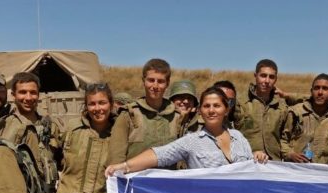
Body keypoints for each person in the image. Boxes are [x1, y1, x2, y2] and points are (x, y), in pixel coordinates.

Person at [106, 87, 267, 175]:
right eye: (206, 106)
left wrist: (257, 156)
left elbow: (251, 169)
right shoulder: (192, 141)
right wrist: (125, 166)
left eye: (217, 105)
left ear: (226, 110)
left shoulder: (239, 137)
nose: (211, 110)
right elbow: (159, 154)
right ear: (200, 111)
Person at [108, 58, 182, 166]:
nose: (155, 86)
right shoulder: (128, 114)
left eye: (160, 81)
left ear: (167, 83)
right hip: (136, 181)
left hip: (167, 180)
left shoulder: (176, 117)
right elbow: (116, 158)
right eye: (151, 80)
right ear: (143, 81)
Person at [280, 73, 328, 164]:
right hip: (295, 171)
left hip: (319, 174)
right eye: (316, 88)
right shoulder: (296, 113)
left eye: (325, 88)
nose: (320, 92)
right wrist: (290, 154)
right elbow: (282, 140)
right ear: (311, 91)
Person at [238, 59, 288, 160]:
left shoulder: (282, 106)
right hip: (247, 163)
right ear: (255, 76)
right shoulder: (240, 102)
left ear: (276, 79)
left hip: (273, 165)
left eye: (271, 77)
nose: (267, 81)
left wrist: (287, 95)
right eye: (263, 76)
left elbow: (285, 138)